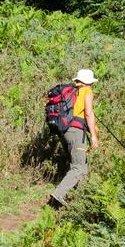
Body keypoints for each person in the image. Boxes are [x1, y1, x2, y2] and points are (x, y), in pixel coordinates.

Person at [49, 69, 98, 206]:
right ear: (89, 82)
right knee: (78, 167)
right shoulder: (86, 91)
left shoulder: (71, 90)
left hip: (64, 130)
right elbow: (88, 114)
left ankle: (80, 196)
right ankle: (59, 194)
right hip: (76, 132)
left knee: (78, 163)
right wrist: (93, 136)